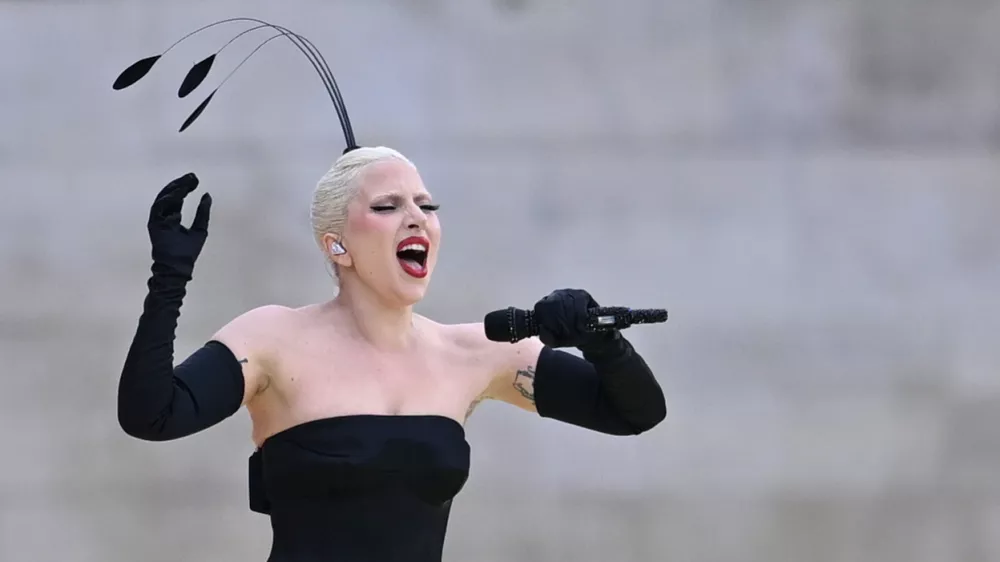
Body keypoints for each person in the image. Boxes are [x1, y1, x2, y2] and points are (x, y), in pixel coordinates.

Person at [116, 146, 667, 562]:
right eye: (387, 205)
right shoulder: (273, 340)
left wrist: (603, 341)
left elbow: (634, 412)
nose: (417, 217)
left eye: (426, 205)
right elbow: (152, 414)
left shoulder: (477, 351)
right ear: (337, 245)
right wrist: (169, 277)